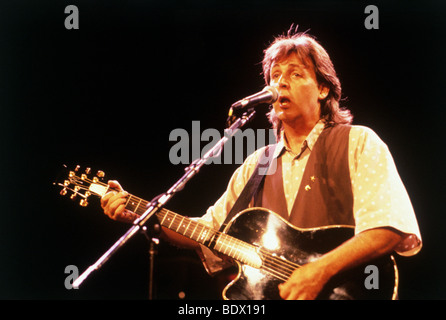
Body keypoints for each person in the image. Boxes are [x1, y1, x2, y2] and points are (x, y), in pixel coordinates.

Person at [101, 31, 422, 300]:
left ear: (323, 89)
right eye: (275, 76)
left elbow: (389, 227)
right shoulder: (256, 165)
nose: (281, 83)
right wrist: (138, 213)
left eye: (296, 74)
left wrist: (319, 271)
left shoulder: (358, 141)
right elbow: (208, 231)